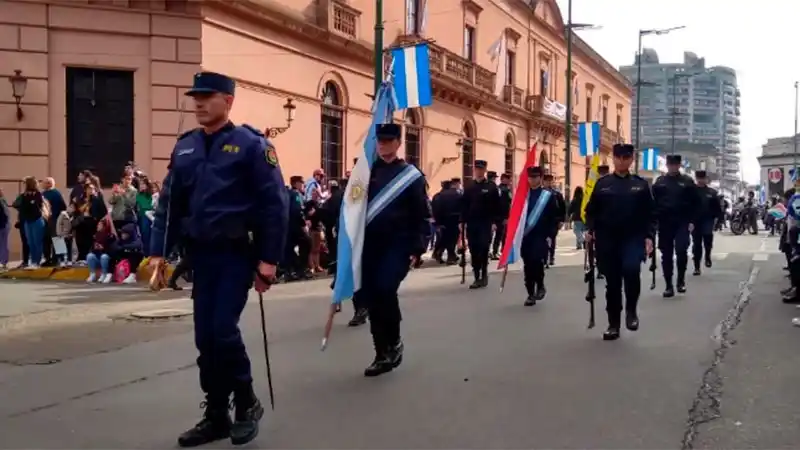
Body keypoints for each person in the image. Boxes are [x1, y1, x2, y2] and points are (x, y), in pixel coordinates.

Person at [149, 71, 288, 447]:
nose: (198, 103)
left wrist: (269, 261)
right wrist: (157, 252)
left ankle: (246, 402)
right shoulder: (185, 147)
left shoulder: (251, 145)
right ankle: (215, 414)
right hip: (201, 256)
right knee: (205, 339)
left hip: (235, 254)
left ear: (227, 101)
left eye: (207, 96)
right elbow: (170, 204)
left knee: (223, 330)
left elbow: (274, 206)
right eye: (195, 96)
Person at [356, 123, 430, 376]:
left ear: (398, 143)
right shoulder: (366, 173)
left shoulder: (411, 176)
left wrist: (417, 248)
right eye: (380, 141)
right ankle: (381, 351)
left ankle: (394, 341)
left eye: (389, 141)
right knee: (373, 298)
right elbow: (350, 206)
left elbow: (422, 215)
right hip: (369, 245)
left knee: (385, 289)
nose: (383, 145)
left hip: (398, 244)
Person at [584, 144, 656, 341]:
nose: (622, 161)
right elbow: (591, 211)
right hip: (608, 240)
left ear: (632, 159)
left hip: (633, 238)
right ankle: (613, 324)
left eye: (626, 157)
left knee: (632, 271)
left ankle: (631, 311)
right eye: (618, 157)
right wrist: (590, 229)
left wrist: (649, 236)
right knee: (613, 283)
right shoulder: (603, 184)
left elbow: (650, 214)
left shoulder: (641, 185)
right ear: (613, 159)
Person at [651, 154, 698, 297]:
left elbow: (695, 202)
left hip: (682, 221)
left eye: (675, 164)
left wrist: (692, 221)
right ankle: (668, 285)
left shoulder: (687, 181)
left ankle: (680, 281)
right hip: (665, 222)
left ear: (679, 165)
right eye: (670, 164)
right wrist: (653, 222)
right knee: (666, 255)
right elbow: (653, 203)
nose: (672, 167)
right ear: (667, 165)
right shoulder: (660, 182)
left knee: (681, 250)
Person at [520, 166, 560, 306]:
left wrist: (551, 234)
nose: (532, 180)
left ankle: (540, 285)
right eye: (530, 177)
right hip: (525, 236)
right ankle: (530, 293)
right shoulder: (523, 195)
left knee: (537, 262)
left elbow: (553, 217)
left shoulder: (548, 196)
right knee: (527, 265)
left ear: (540, 178)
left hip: (540, 235)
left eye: (535, 177)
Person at [460, 160, 501, 288]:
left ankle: (484, 274)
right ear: (474, 170)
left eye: (481, 169)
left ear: (484, 171)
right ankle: (477, 275)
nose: (479, 171)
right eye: (477, 169)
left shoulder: (491, 187)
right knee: (473, 250)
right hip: (472, 223)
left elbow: (497, 207)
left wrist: (495, 222)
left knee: (483, 248)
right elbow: (464, 205)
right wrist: (462, 221)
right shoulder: (469, 186)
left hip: (486, 223)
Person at [691, 170, 723, 276]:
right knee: (697, 245)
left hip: (708, 220)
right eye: (699, 179)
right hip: (695, 222)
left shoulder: (712, 192)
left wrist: (719, 220)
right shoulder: (692, 191)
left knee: (708, 240)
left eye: (703, 179)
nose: (701, 181)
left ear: (706, 179)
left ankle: (708, 256)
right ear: (696, 179)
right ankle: (696, 267)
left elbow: (718, 208)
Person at [14, 177, 46, 269]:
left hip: (37, 220)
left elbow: (37, 205)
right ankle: (32, 262)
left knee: (37, 242)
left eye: (25, 183)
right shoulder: (23, 195)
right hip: (27, 221)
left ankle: (37, 262)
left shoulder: (38, 194)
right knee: (30, 242)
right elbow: (19, 206)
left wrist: (31, 202)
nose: (23, 185)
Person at [542, 174, 565, 266]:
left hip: (554, 221)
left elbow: (562, 208)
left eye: (551, 181)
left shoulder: (557, 194)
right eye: (547, 181)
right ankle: (544, 257)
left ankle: (551, 257)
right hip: (542, 221)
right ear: (543, 182)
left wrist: (562, 220)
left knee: (552, 239)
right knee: (542, 239)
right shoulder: (540, 193)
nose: (549, 183)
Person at [87, 217, 117, 283]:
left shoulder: (110, 236)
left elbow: (112, 250)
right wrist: (95, 248)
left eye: (100, 225)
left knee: (104, 256)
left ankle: (104, 274)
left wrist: (103, 248)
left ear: (104, 227)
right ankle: (92, 274)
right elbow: (91, 248)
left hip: (106, 259)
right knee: (90, 256)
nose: (97, 226)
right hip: (97, 258)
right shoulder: (96, 235)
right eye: (98, 225)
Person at [491, 173, 513, 260]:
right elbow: (506, 205)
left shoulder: (498, 188)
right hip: (502, 217)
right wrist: (506, 217)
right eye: (508, 179)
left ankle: (496, 251)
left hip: (497, 216)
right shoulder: (505, 190)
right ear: (504, 179)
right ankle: (500, 251)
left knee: (499, 235)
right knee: (501, 235)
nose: (510, 181)